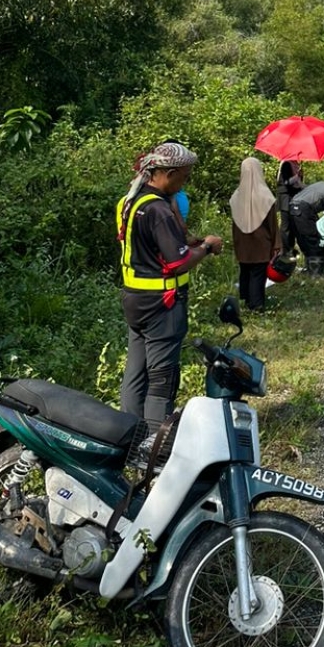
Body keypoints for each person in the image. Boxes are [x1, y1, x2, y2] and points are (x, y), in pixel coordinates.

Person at [117, 141, 223, 433]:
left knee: (135, 374)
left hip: (135, 300)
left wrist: (186, 241)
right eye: (184, 176)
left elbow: (149, 246)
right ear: (170, 172)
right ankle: (153, 449)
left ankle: (128, 436)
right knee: (161, 379)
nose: (184, 181)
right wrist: (206, 247)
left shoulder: (131, 202)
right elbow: (178, 263)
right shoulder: (158, 210)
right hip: (162, 304)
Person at [230, 157, 282, 311]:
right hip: (261, 243)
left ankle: (244, 301)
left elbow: (234, 224)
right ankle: (257, 305)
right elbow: (273, 224)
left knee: (244, 271)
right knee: (258, 274)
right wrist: (277, 244)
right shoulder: (265, 196)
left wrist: (235, 243)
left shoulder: (236, 196)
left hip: (242, 243)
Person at [276, 160, 305, 252]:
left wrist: (300, 176)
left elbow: (299, 184)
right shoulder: (286, 164)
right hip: (285, 198)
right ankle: (284, 249)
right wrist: (297, 176)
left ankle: (291, 247)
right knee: (286, 225)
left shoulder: (296, 165)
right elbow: (285, 182)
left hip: (294, 197)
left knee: (293, 224)